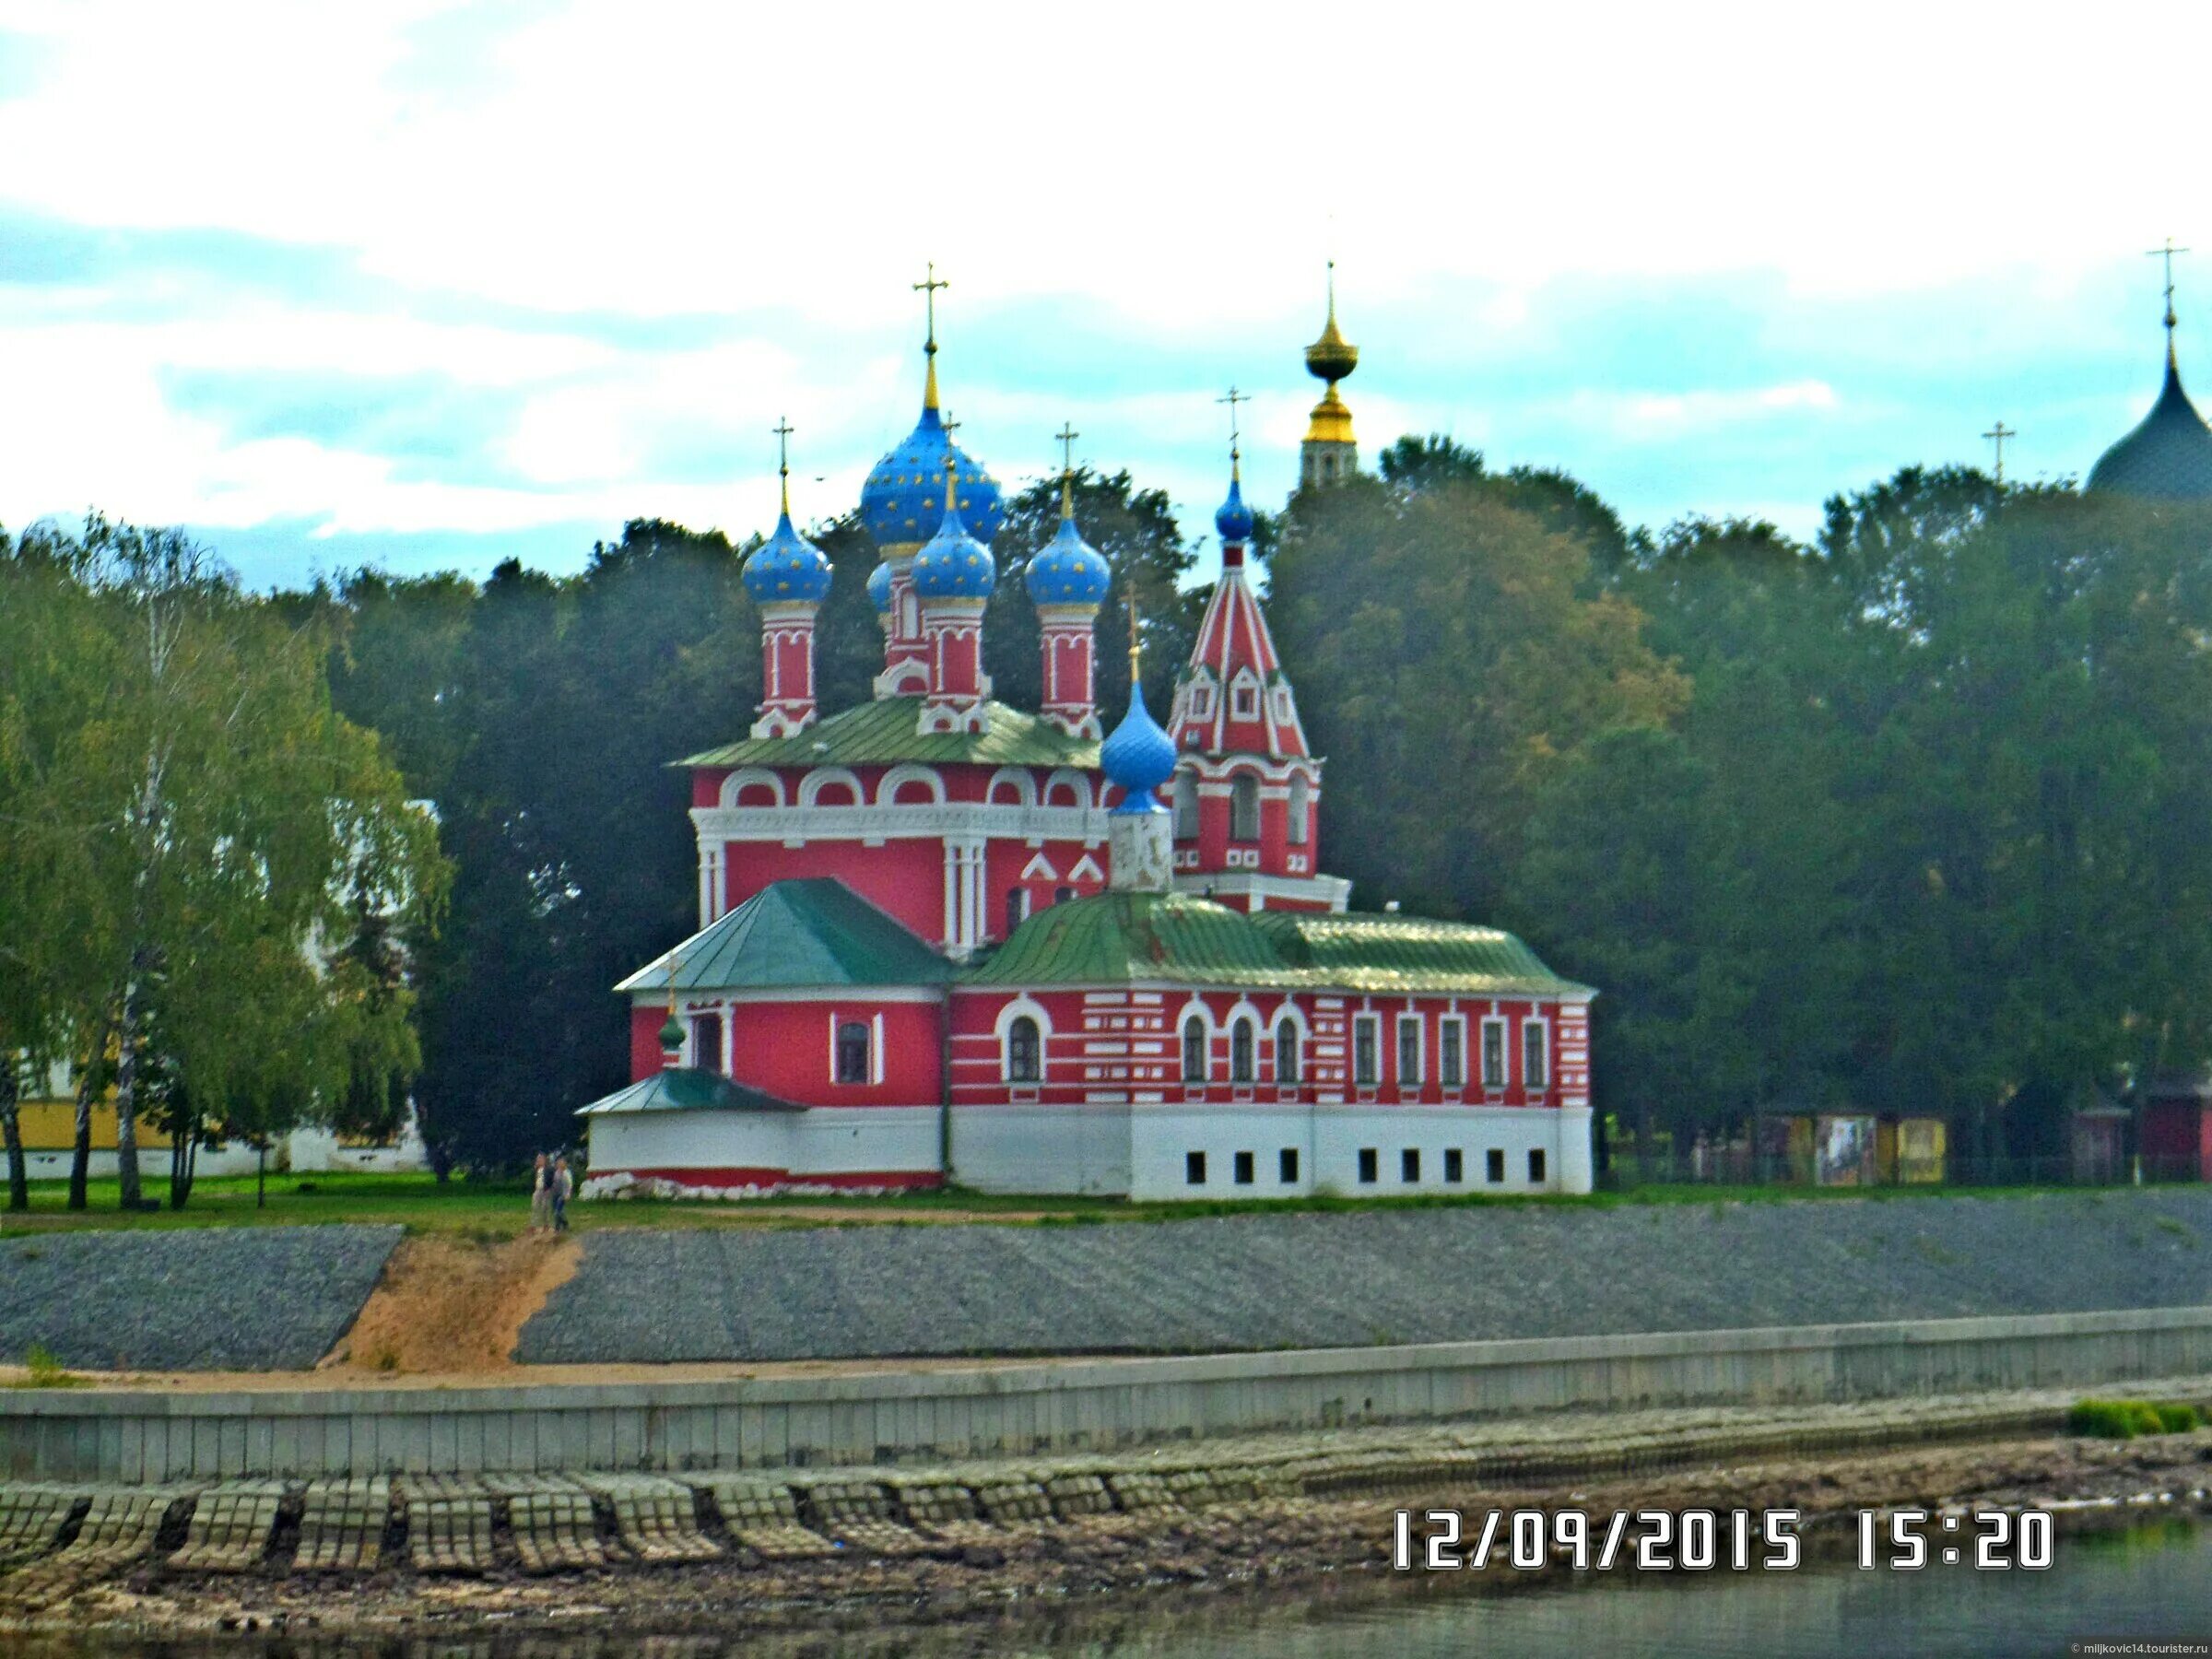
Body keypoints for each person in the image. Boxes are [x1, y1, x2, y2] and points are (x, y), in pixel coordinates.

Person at [530, 1153, 552, 1232]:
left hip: (545, 1190)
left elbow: (551, 1180)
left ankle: (546, 1225)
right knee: (535, 1207)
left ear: (544, 1160)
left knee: (544, 1208)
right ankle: (533, 1225)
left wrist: (549, 1189)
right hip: (537, 1190)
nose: (539, 1160)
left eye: (540, 1159)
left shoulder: (548, 1169)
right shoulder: (536, 1170)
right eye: (538, 1159)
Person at [553, 1155, 573, 1232]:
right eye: (558, 1163)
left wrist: (568, 1193)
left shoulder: (567, 1173)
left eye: (562, 1163)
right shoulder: (556, 1173)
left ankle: (557, 1227)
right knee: (559, 1211)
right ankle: (565, 1224)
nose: (560, 1165)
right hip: (556, 1194)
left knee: (557, 1211)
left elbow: (569, 1184)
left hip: (563, 1194)